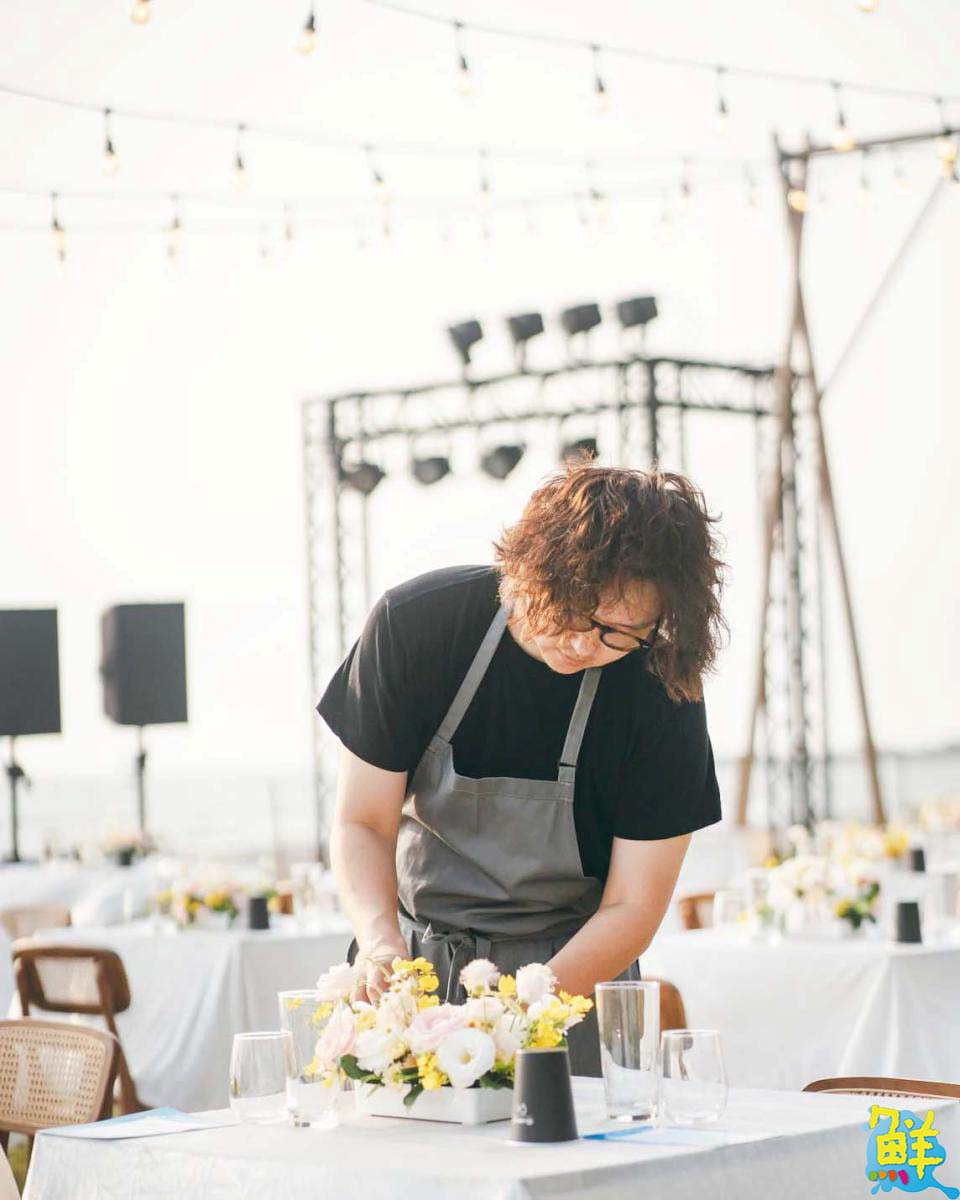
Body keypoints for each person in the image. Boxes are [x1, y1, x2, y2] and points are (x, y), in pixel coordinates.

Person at [317, 463, 726, 1075]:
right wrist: (380, 945)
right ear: (531, 567)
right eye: (575, 612)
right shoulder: (418, 624)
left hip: (570, 987)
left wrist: (520, 1014)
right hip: (410, 973)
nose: (586, 645)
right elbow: (363, 823)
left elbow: (633, 908)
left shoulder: (659, 689)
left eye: (619, 634)